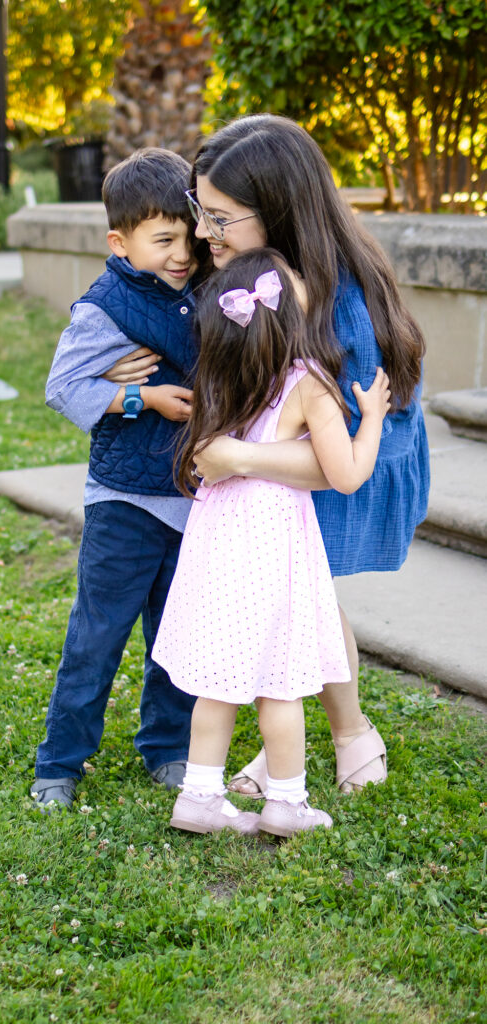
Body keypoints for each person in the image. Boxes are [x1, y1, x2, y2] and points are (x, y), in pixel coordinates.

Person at [109, 114, 429, 797]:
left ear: (278, 212)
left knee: (305, 594)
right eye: (201, 210)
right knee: (297, 595)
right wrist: (105, 369)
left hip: (365, 456)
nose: (201, 233)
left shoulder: (340, 306)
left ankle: (347, 737)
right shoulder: (260, 278)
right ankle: (327, 738)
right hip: (294, 455)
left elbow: (340, 466)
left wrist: (235, 460)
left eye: (220, 218)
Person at [152, 248, 391, 836]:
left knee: (218, 681)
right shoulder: (309, 380)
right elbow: (346, 474)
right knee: (278, 686)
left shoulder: (217, 373)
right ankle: (286, 802)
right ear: (290, 312)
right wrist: (374, 418)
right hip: (273, 547)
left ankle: (201, 795)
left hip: (217, 543)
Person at [32, 148, 201, 810]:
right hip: (125, 503)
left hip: (190, 499)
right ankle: (61, 762)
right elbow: (62, 386)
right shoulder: (105, 307)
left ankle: (167, 748)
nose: (181, 253)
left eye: (188, 235)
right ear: (121, 242)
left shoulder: (207, 290)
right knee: (96, 636)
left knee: (176, 636)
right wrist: (142, 400)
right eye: (163, 240)